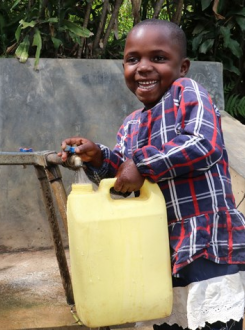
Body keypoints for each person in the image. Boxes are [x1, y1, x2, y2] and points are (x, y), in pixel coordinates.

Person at [59, 19, 245, 330]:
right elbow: (123, 176)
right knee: (167, 318)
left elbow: (203, 143)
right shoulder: (131, 123)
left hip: (206, 242)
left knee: (212, 318)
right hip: (156, 247)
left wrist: (142, 165)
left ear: (182, 66)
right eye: (133, 59)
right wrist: (98, 156)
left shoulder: (188, 94)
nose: (143, 68)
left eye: (158, 58)